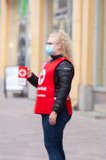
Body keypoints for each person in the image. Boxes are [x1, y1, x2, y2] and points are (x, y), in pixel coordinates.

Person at [27, 30, 74, 160]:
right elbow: (44, 86)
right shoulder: (50, 63)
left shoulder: (64, 65)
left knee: (51, 146)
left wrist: (55, 111)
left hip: (56, 110)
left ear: (59, 46)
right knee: (55, 146)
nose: (47, 45)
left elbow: (64, 90)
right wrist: (31, 77)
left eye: (50, 43)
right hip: (47, 109)